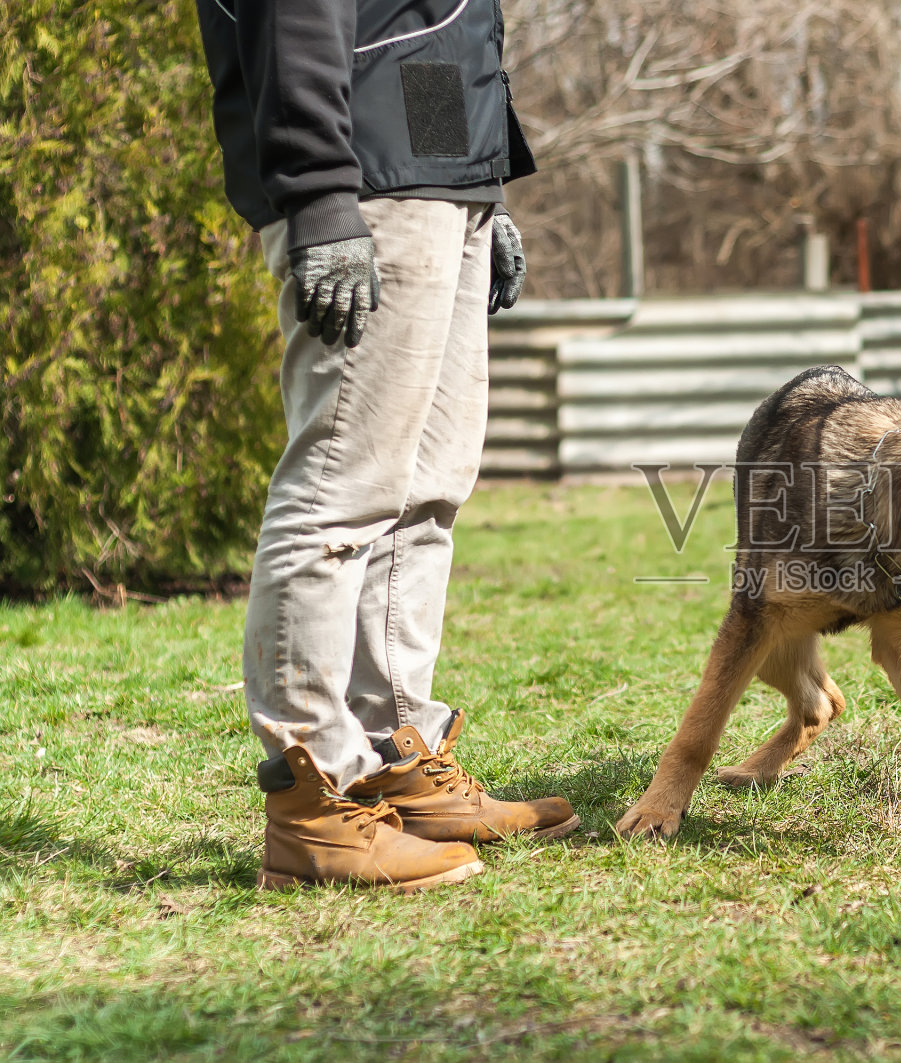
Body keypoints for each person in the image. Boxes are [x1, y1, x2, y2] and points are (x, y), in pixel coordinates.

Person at [196, 0, 578, 892]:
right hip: (364, 183)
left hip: (432, 179)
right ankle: (313, 796)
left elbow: (429, 23)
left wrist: (472, 182)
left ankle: (394, 755)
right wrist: (320, 194)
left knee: (428, 490)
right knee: (342, 488)